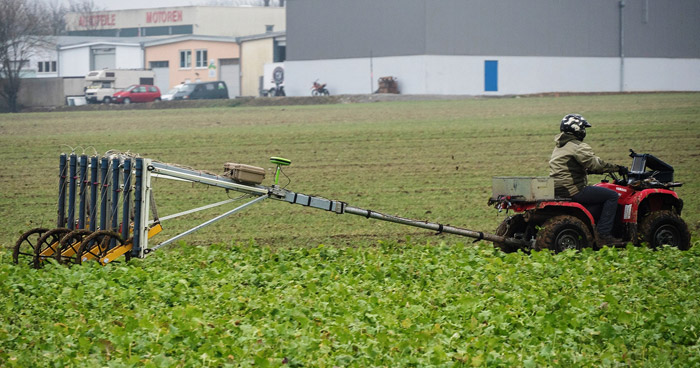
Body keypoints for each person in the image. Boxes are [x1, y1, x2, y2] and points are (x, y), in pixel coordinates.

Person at [549, 114, 628, 245]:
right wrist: (617, 168)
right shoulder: (577, 146)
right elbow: (596, 165)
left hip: (558, 188)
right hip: (574, 189)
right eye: (583, 128)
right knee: (612, 196)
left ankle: (592, 226)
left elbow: (569, 166)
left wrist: (586, 171)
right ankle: (604, 234)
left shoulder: (559, 146)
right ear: (577, 129)